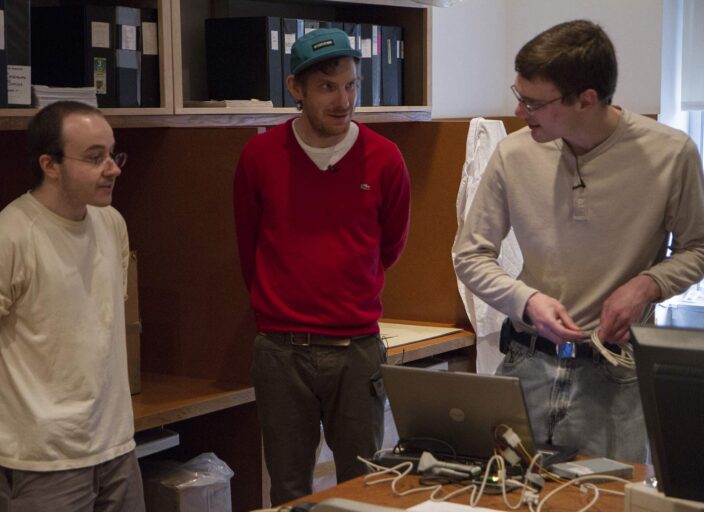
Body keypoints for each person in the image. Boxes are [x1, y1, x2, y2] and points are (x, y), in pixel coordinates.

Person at [453, 19, 704, 463]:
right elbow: (470, 255)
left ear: (586, 99)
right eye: (519, 96)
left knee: (604, 503)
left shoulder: (671, 153)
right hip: (524, 364)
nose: (518, 113)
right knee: (507, 500)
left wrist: (647, 284)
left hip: (616, 376)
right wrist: (526, 300)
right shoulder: (514, 153)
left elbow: (698, 249)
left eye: (533, 102)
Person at [233, 28, 411, 503]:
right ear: (296, 89)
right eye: (328, 87)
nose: (343, 100)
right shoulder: (259, 156)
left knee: (362, 488)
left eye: (351, 85)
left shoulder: (385, 159)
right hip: (280, 349)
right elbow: (248, 248)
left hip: (356, 349)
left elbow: (389, 246)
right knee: (289, 489)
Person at [0, 101, 144, 511]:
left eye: (112, 154)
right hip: (42, 461)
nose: (113, 168)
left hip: (116, 448)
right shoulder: (10, 238)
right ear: (50, 165)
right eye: (95, 158)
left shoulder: (111, 223)